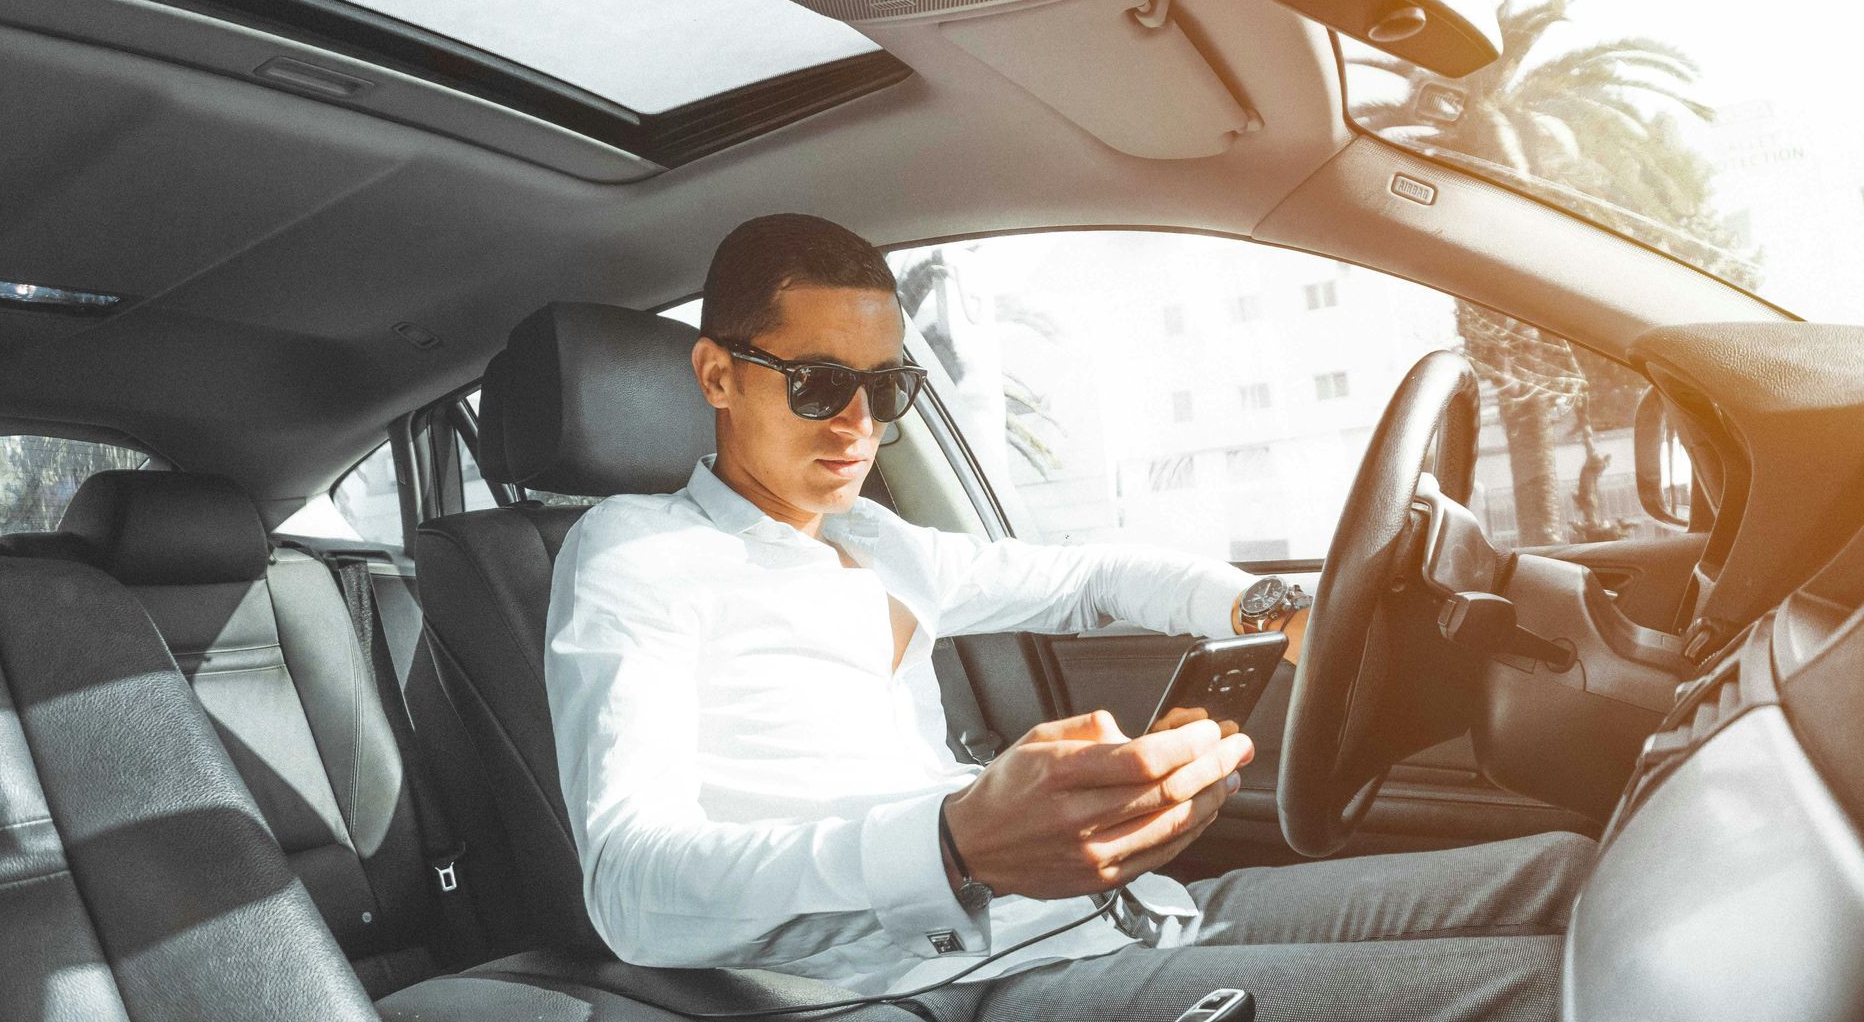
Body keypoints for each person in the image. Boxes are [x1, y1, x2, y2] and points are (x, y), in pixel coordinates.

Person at [547, 213, 1593, 1022]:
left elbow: (1088, 576)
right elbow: (632, 885)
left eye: (887, 385)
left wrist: (1271, 607)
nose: (861, 425)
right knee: (1548, 989)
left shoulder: (883, 540)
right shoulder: (636, 553)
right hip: (953, 983)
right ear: (718, 374)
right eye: (822, 384)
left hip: (1122, 913)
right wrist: (955, 844)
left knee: (1567, 872)